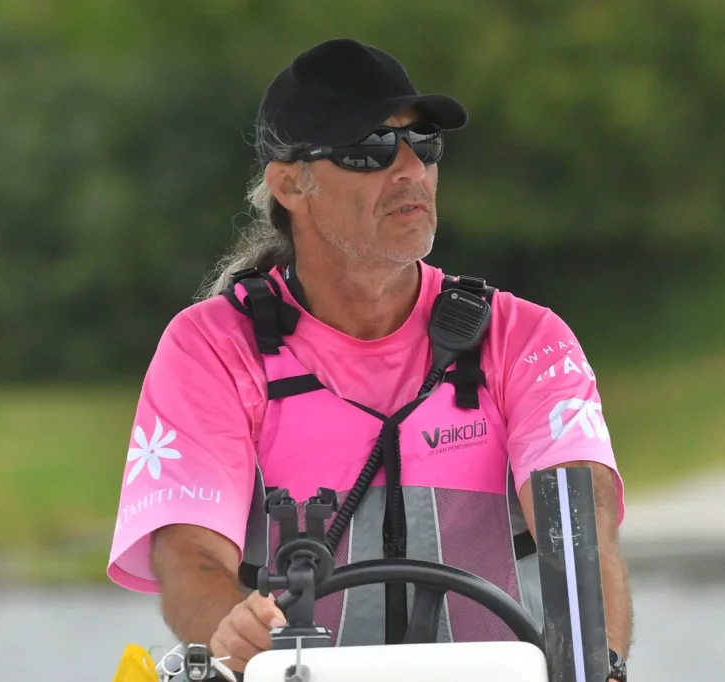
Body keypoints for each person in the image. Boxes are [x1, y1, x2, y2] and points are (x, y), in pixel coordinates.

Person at [106, 38, 632, 680]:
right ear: (291, 184)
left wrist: (597, 667)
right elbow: (189, 559)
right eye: (372, 148)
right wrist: (233, 626)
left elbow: (580, 531)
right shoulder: (211, 348)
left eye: (424, 143)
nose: (411, 168)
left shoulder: (527, 340)